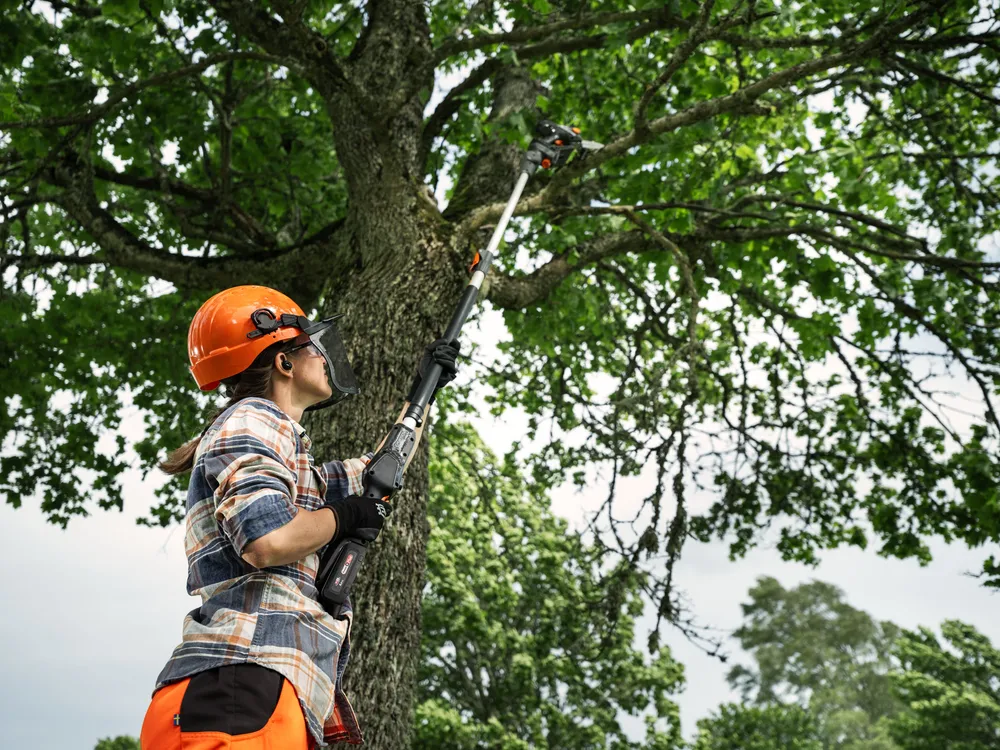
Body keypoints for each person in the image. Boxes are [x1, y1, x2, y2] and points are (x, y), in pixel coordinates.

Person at [139, 285, 459, 749]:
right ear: (284, 362)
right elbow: (267, 539)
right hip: (242, 686)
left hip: (253, 691)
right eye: (312, 347)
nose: (325, 357)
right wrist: (345, 514)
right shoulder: (254, 418)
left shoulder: (288, 454)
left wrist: (425, 390)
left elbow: (381, 472)